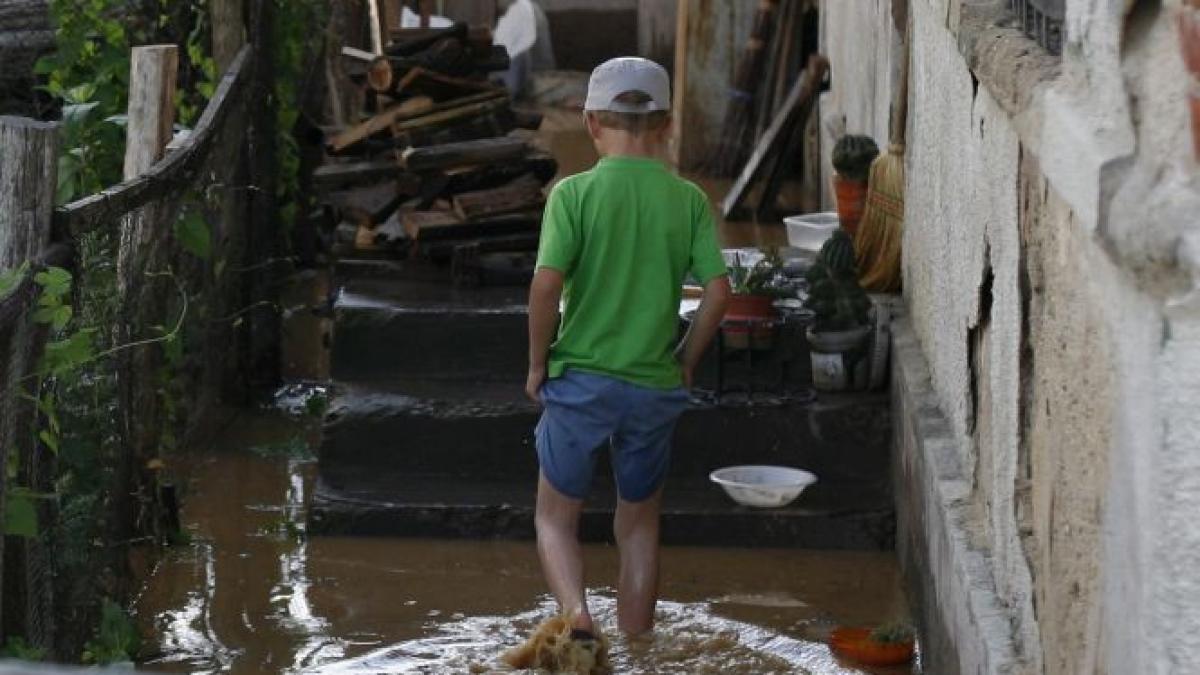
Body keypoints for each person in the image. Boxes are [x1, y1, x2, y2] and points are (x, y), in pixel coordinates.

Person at [524, 57, 732, 640]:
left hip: (580, 382)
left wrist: (539, 363)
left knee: (554, 519)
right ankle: (638, 647)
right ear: (666, 125)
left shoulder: (572, 195)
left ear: (591, 123)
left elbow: (545, 285)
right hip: (652, 387)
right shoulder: (687, 199)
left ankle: (579, 616)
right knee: (638, 527)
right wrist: (685, 361)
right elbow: (718, 293)